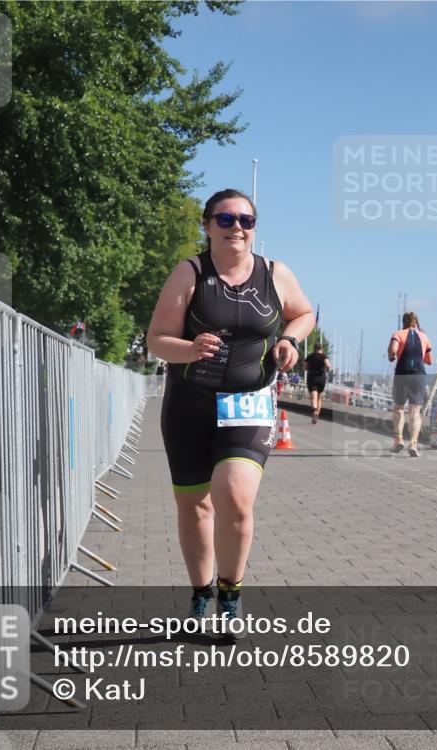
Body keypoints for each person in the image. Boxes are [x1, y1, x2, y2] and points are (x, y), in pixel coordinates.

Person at [147, 188, 314, 639]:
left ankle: (231, 593)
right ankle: (201, 595)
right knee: (195, 505)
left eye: (246, 219)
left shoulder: (275, 273)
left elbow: (303, 313)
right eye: (225, 219)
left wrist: (290, 340)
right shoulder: (190, 274)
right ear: (208, 226)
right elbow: (157, 340)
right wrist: (189, 348)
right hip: (189, 405)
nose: (237, 227)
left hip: (249, 401)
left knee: (235, 497)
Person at [387, 312, 432, 457]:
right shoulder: (424, 337)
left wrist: (391, 356)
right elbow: (429, 360)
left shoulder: (398, 334)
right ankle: (413, 443)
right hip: (418, 376)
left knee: (399, 409)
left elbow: (393, 350)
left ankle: (399, 439)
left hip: (402, 374)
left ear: (403, 322)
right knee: (415, 412)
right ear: (416, 322)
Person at [303, 343, 331, 424]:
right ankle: (316, 416)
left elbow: (304, 368)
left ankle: (314, 409)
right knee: (319, 398)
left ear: (314, 348)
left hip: (312, 378)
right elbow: (328, 365)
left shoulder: (310, 356)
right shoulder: (324, 356)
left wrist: (310, 367)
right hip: (321, 378)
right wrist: (325, 368)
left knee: (313, 397)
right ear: (321, 348)